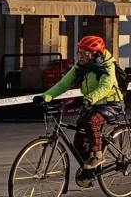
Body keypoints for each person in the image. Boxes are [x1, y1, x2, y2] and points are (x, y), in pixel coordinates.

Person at [36, 35, 124, 172]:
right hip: (91, 103)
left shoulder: (107, 66)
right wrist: (46, 96)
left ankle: (98, 155)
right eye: (79, 52)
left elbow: (106, 87)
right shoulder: (81, 67)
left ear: (94, 54)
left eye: (84, 53)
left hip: (110, 103)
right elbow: (64, 84)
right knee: (79, 142)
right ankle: (89, 171)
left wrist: (90, 98)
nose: (80, 56)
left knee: (92, 122)